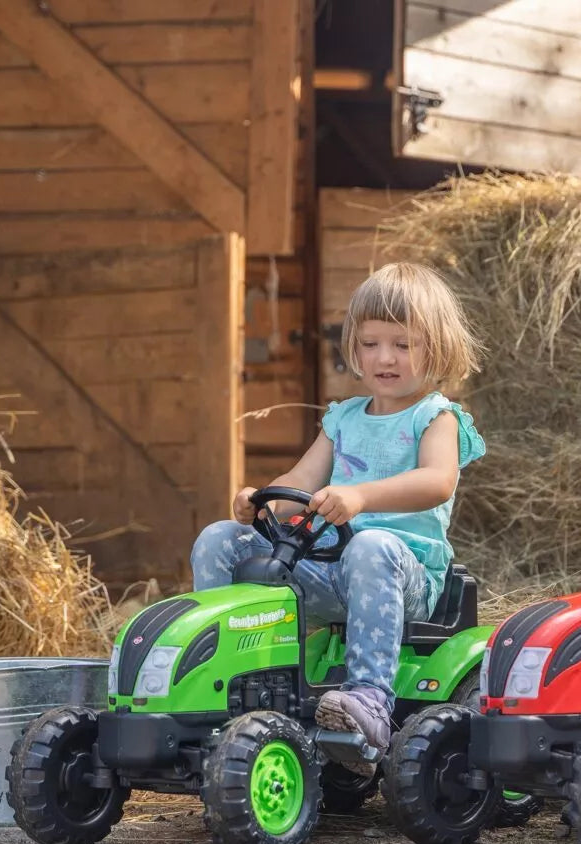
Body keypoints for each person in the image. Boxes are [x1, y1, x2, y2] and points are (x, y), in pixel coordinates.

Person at [191, 262, 485, 776]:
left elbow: (437, 481)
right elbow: (299, 482)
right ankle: (219, 677)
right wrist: (260, 503)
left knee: (370, 547)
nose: (385, 357)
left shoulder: (436, 417)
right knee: (222, 538)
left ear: (436, 347)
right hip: (328, 568)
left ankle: (369, 699)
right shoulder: (343, 418)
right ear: (354, 346)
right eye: (371, 344)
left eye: (403, 344)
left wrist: (360, 496)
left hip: (404, 578)